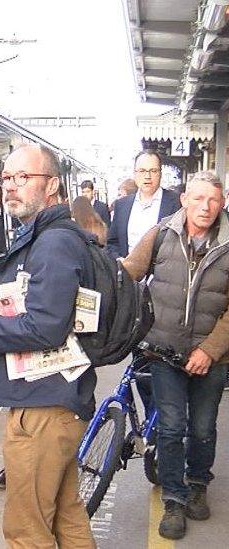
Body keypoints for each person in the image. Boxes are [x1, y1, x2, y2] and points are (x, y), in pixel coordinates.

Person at [0, 143, 96, 548]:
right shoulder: (50, 236)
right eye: (7, 179)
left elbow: (47, 327)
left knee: (26, 532)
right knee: (67, 518)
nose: (12, 187)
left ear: (52, 186)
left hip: (41, 409)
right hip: (54, 403)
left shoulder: (53, 243)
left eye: (23, 178)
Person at [121, 170, 229, 540]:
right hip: (163, 351)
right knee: (170, 428)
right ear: (184, 199)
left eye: (213, 200)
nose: (205, 206)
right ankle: (174, 499)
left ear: (223, 203)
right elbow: (129, 272)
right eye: (198, 199)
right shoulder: (162, 234)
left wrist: (210, 350)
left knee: (201, 428)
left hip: (211, 357)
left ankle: (198, 482)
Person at [107, 151, 180, 259]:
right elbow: (112, 243)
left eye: (153, 171)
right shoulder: (122, 205)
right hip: (127, 273)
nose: (147, 176)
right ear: (135, 174)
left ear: (160, 173)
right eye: (142, 171)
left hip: (162, 274)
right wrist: (120, 261)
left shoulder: (176, 203)